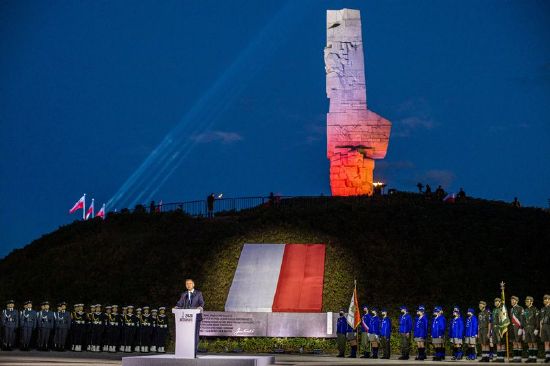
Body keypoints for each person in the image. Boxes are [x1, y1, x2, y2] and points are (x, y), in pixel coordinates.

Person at [176, 278, 205, 357]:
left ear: (193, 284)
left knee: (195, 335)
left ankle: (193, 353)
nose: (188, 285)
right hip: (185, 319)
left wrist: (200, 307)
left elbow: (202, 303)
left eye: (190, 283)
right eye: (186, 284)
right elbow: (180, 303)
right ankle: (185, 352)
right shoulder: (184, 294)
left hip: (195, 318)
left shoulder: (198, 293)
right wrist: (176, 307)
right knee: (185, 335)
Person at [524, 296, 540, 363]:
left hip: (533, 327)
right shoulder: (526, 310)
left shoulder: (535, 309)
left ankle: (534, 358)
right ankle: (530, 357)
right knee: (529, 343)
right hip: (527, 328)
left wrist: (537, 328)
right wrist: (524, 328)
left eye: (528, 301)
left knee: (534, 342)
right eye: (526, 301)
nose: (526, 302)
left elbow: (537, 320)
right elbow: (524, 320)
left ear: (531, 301)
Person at [510, 295, 524, 363]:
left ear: (517, 301)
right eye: (511, 300)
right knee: (514, 342)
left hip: (517, 327)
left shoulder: (520, 308)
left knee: (518, 342)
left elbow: (522, 319)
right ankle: (515, 357)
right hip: (512, 328)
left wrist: (521, 328)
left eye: (513, 300)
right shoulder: (511, 309)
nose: (512, 301)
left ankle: (519, 358)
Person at [492, 297, 506, 363]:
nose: (496, 303)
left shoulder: (502, 309)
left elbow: (503, 319)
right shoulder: (494, 310)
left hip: (499, 328)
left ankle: (501, 358)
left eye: (497, 301)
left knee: (501, 343)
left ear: (500, 302)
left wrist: (501, 328)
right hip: (494, 328)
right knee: (497, 343)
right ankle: (499, 357)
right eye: (495, 301)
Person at [540, 294, 550, 363]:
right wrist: (540, 331)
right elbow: (541, 320)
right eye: (544, 299)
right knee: (546, 342)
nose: (545, 300)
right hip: (544, 326)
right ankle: (547, 357)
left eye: (546, 299)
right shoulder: (542, 309)